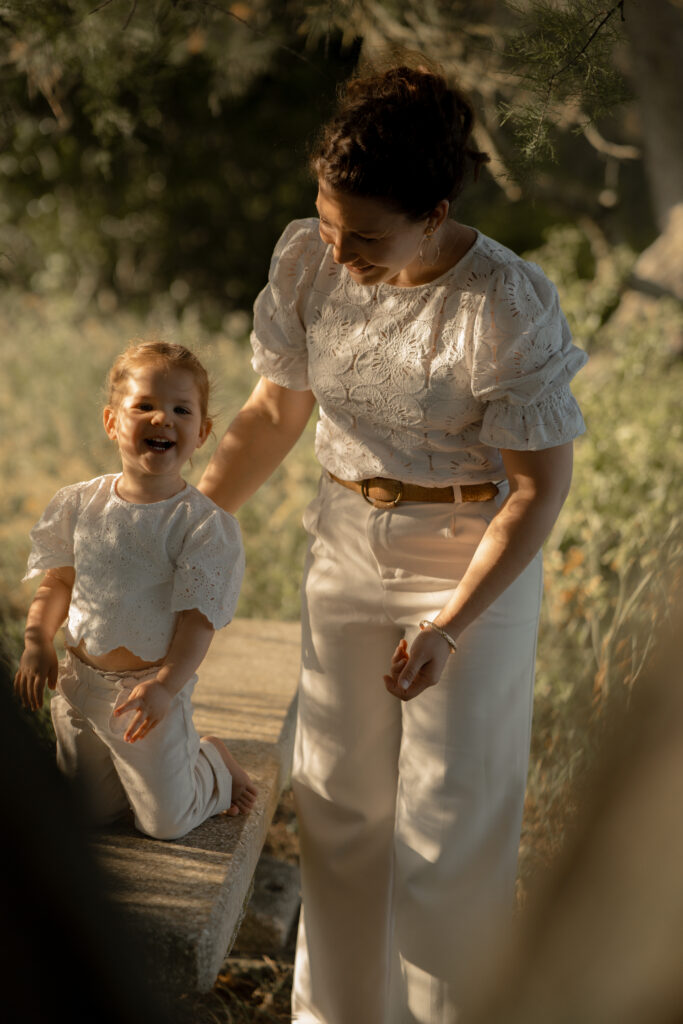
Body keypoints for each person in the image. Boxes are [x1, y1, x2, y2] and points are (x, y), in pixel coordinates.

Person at [199, 59, 587, 1024]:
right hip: (340, 546)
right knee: (339, 815)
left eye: (365, 237)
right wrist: (191, 524)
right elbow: (273, 411)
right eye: (329, 225)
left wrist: (450, 625)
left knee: (449, 832)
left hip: (468, 565)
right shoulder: (305, 259)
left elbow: (539, 487)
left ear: (436, 210)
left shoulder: (502, 300)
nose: (338, 255)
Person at [14, 340, 257, 840]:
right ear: (111, 422)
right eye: (143, 405)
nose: (161, 418)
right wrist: (38, 640)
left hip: (146, 694)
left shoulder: (201, 524)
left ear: (202, 433)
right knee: (89, 816)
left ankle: (210, 766)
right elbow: (57, 581)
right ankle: (141, 777)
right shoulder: (81, 504)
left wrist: (167, 685)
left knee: (165, 824)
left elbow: (197, 621)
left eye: (180, 410)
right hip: (80, 686)